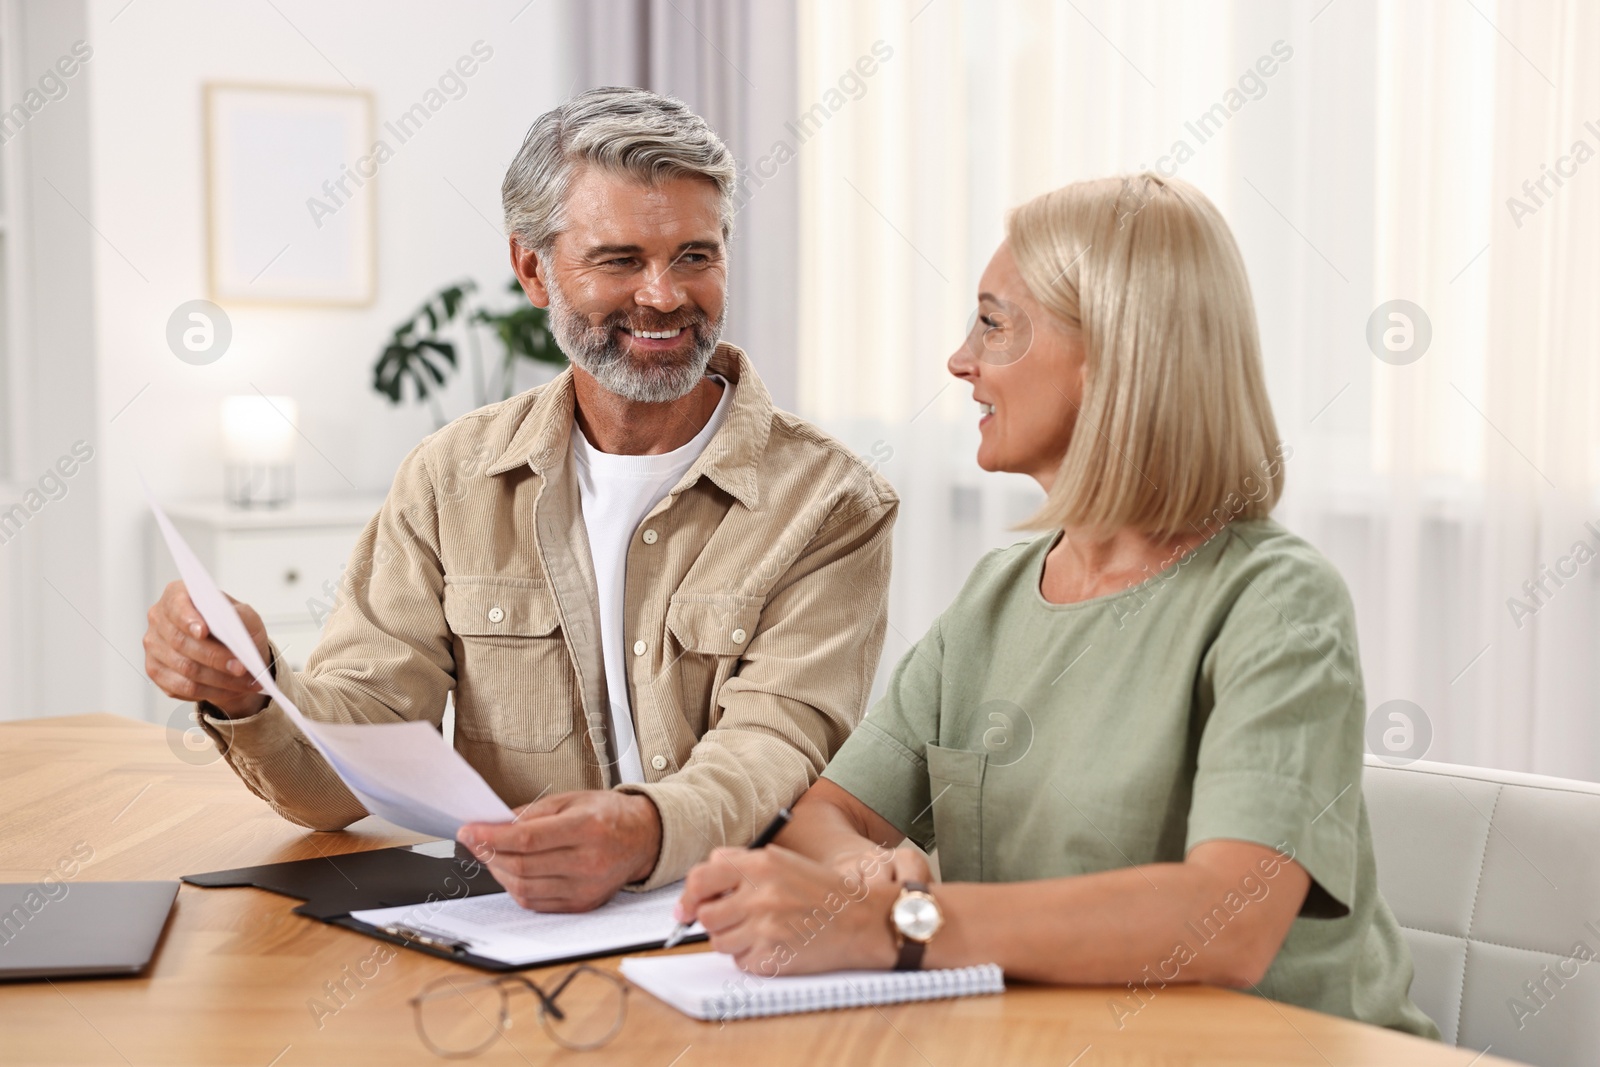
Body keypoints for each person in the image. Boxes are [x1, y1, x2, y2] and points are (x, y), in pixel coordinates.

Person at [676, 173, 1438, 1037]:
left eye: (994, 323)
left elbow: (1230, 916)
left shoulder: (1278, 601)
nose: (960, 359)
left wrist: (900, 927)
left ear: (1116, 353)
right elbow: (828, 814)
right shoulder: (996, 598)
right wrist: (869, 875)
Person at [142, 87, 897, 912]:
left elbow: (774, 745)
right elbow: (355, 761)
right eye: (619, 260)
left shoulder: (831, 502)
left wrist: (640, 829)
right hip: (512, 933)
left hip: (732, 930)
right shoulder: (449, 477)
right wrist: (252, 690)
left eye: (694, 255)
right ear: (533, 269)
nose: (664, 294)